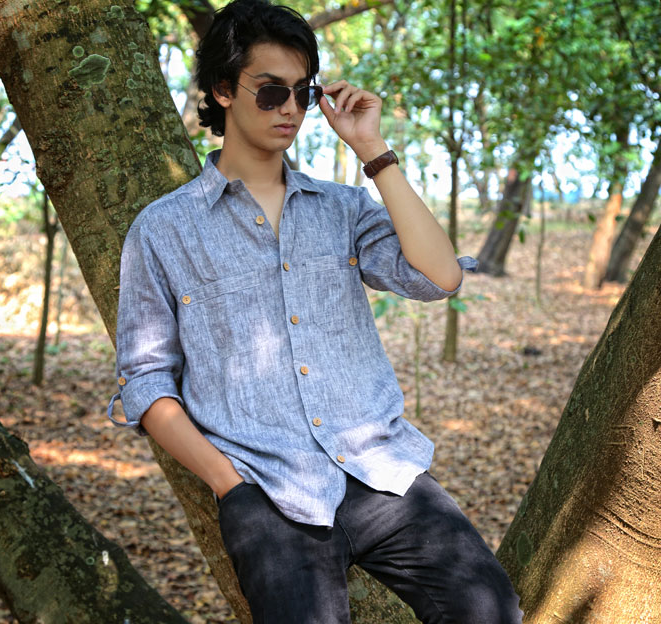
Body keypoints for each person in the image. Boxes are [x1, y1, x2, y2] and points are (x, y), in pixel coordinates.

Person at [106, 0, 523, 621]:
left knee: (490, 609)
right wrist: (228, 484)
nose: (290, 110)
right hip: (267, 492)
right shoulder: (163, 230)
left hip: (380, 471)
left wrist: (373, 150)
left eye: (302, 92)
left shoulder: (342, 209)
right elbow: (145, 380)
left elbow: (440, 277)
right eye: (271, 90)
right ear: (223, 89)